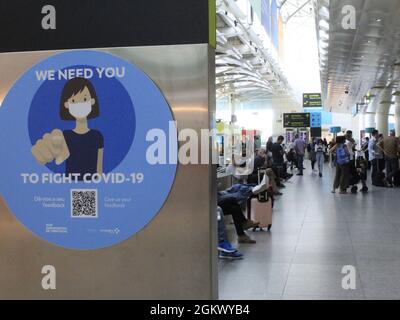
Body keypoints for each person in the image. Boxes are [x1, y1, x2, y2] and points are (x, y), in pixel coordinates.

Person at [31, 77, 104, 180]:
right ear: (67, 105)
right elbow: (57, 157)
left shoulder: (97, 136)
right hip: (68, 184)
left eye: (84, 99)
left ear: (92, 101)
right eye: (74, 100)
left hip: (92, 185)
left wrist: (101, 187)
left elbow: (99, 169)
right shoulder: (65, 136)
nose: (80, 104)